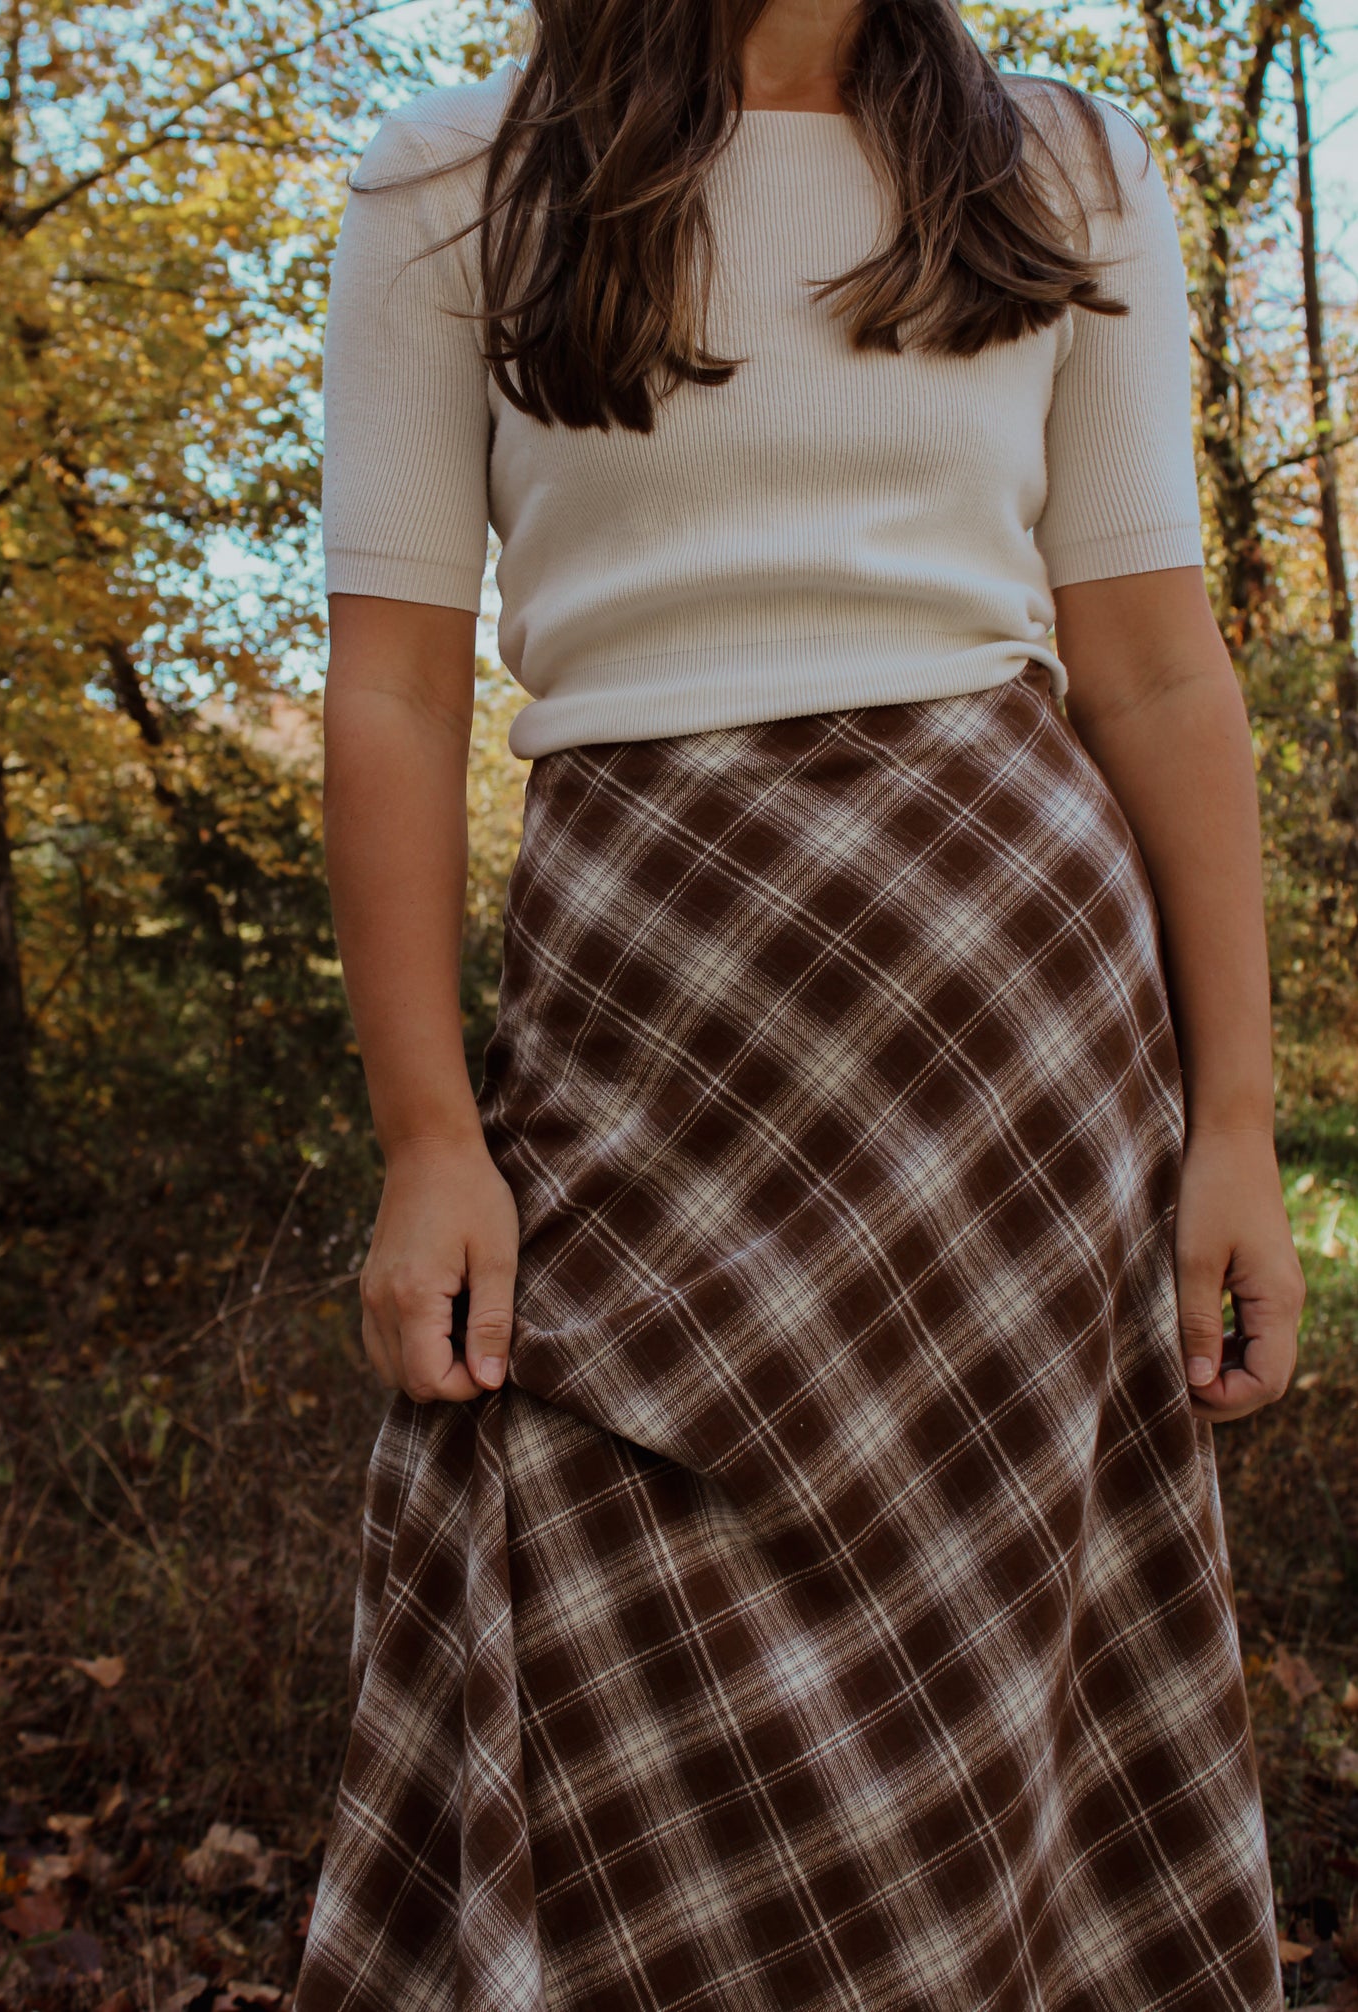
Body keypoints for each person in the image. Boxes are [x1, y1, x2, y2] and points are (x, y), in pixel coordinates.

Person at [292, 0, 1306, 2002]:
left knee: (983, 1701)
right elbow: (392, 693)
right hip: (647, 1014)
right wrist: (429, 1133)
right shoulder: (450, 181)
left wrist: (1240, 1123)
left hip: (1017, 1044)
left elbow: (1162, 670)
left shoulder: (1065, 163)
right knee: (606, 1652)